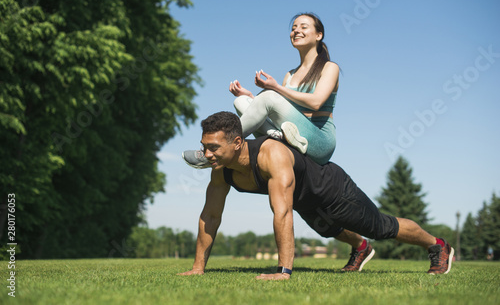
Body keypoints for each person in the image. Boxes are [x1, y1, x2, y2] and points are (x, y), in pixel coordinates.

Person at [178, 112, 454, 280]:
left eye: (213, 147)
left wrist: (283, 271)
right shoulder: (221, 169)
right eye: (205, 147)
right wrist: (198, 267)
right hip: (304, 199)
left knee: (380, 227)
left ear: (237, 143)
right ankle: (360, 247)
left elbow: (282, 213)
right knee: (329, 230)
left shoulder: (271, 155)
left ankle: (437, 245)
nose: (207, 154)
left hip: (333, 189)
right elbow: (210, 216)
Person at [182, 12, 339, 167]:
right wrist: (250, 96)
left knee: (268, 96)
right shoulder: (290, 75)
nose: (296, 31)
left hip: (319, 140)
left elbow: (316, 103)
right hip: (290, 130)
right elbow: (277, 108)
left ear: (319, 35)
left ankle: (215, 149)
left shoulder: (329, 67)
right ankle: (279, 138)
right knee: (241, 101)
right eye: (294, 28)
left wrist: (276, 87)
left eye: (303, 27)